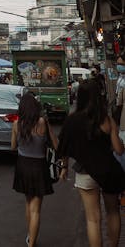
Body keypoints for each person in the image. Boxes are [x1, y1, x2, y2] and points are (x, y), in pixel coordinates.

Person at [57, 78, 125, 247]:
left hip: (85, 172)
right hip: (109, 172)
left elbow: (63, 147)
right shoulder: (107, 120)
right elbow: (119, 150)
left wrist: (64, 167)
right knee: (113, 212)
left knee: (93, 219)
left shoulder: (72, 120)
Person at [11, 92, 56, 247]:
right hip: (38, 166)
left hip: (23, 165)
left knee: (28, 202)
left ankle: (30, 235)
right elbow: (56, 144)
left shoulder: (17, 124)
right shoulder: (43, 122)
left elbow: (13, 146)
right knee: (36, 209)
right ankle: (31, 242)